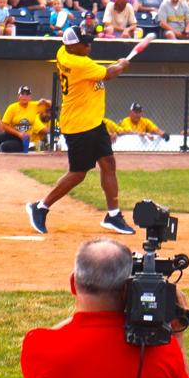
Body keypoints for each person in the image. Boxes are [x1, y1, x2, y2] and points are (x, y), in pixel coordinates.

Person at [21, 238, 189, 378]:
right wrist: (176, 334)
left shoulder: (38, 346)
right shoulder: (160, 349)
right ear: (128, 290)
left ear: (72, 284)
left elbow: (63, 333)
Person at [26, 25, 135, 235]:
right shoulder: (80, 64)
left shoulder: (62, 52)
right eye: (84, 43)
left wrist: (116, 65)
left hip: (93, 122)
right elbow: (110, 74)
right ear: (72, 46)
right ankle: (40, 207)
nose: (89, 45)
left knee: (108, 164)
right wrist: (122, 64)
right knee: (78, 174)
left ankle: (113, 215)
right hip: (79, 126)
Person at [0, 86, 51, 152]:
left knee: (5, 147)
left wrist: (45, 101)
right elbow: (4, 125)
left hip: (24, 138)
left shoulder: (35, 106)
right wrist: (18, 134)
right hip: (13, 134)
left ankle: (7, 148)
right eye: (22, 94)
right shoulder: (12, 107)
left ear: (30, 97)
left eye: (27, 94)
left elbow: (51, 104)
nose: (24, 96)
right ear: (18, 96)